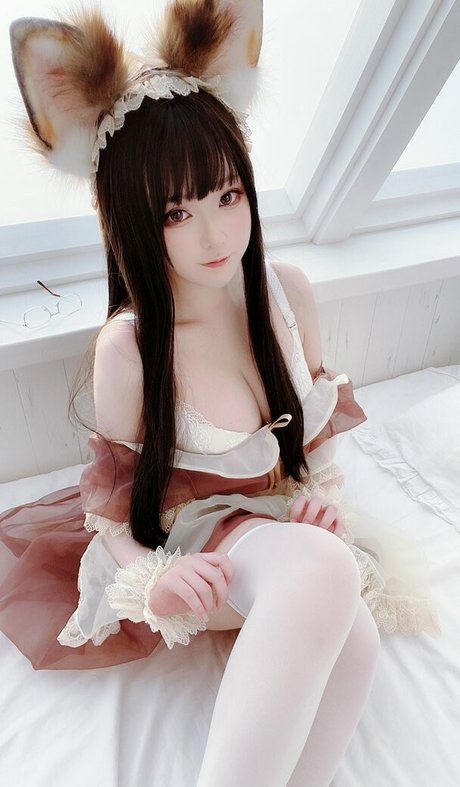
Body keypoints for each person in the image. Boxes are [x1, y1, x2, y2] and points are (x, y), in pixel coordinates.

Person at [0, 3, 440, 786]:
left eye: (228, 195)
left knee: (357, 632)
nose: (213, 235)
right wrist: (154, 579)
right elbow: (114, 516)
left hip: (281, 542)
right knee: (327, 576)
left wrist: (322, 500)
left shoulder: (285, 295)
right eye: (177, 212)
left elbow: (315, 442)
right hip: (196, 556)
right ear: (136, 221)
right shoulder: (132, 349)